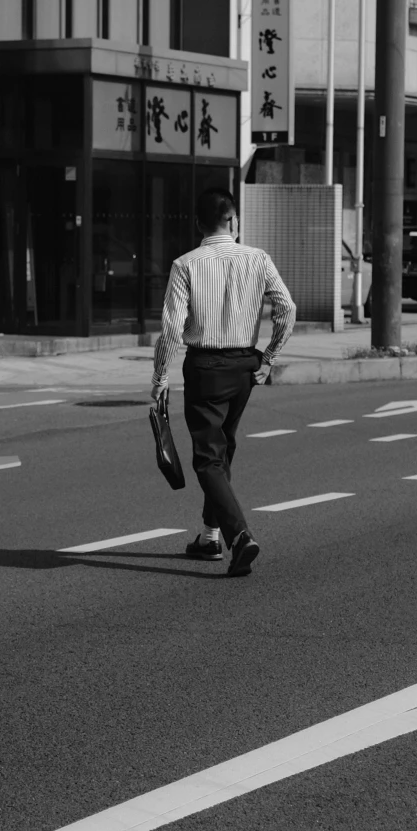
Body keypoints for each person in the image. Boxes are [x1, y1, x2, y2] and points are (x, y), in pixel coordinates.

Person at [151, 188, 296, 577]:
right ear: (233, 220)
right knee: (223, 448)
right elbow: (287, 308)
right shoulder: (258, 258)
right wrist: (268, 358)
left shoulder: (186, 264)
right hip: (245, 367)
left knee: (208, 457)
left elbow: (170, 329)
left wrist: (160, 377)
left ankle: (239, 536)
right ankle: (209, 536)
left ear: (199, 224)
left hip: (205, 367)